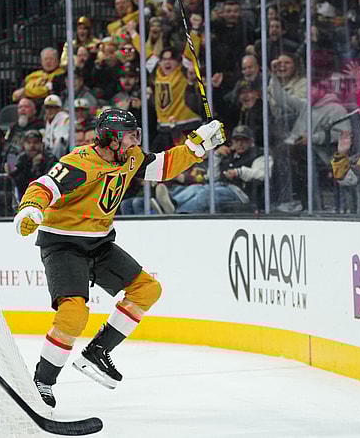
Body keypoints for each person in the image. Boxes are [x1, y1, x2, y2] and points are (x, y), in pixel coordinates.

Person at [12, 109, 226, 408]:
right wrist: (31, 208)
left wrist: (197, 146)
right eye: (129, 135)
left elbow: (162, 167)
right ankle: (42, 382)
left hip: (99, 242)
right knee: (73, 315)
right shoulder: (81, 162)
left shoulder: (130, 157)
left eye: (135, 134)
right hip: (63, 244)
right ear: (111, 138)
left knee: (148, 289)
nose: (135, 140)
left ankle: (97, 352)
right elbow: (45, 186)